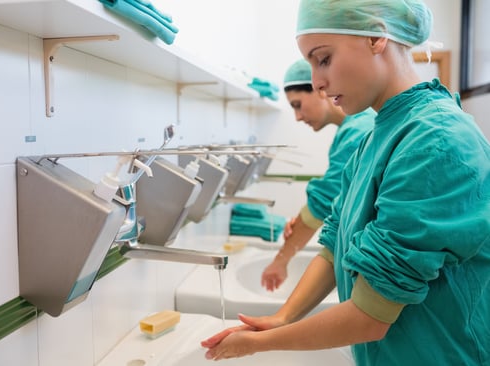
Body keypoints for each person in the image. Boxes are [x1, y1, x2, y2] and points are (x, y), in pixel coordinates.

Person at [201, 0, 490, 364]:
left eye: (323, 59)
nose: (318, 83)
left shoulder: (436, 140)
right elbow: (335, 244)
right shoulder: (377, 135)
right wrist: (283, 316)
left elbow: (371, 316)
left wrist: (259, 344)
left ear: (376, 38)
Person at [261, 59, 375, 292]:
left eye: (297, 104)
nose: (297, 116)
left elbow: (322, 203)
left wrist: (281, 261)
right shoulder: (355, 127)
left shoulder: (357, 131)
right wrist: (305, 216)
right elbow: (334, 200)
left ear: (319, 89)